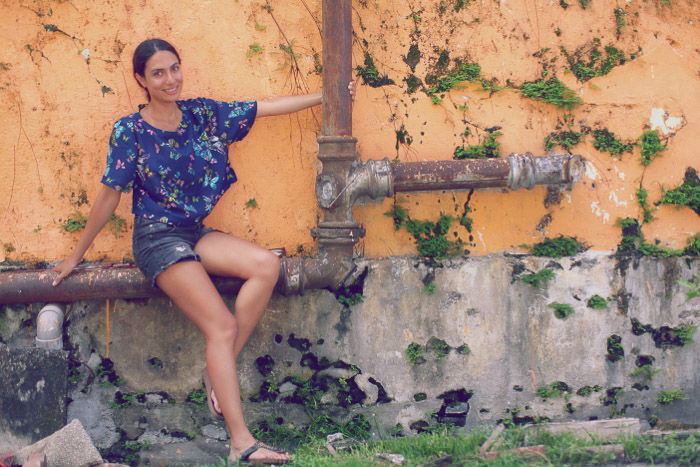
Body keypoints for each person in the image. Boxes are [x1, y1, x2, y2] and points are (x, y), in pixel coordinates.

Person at [52, 38, 354, 464]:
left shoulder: (201, 114)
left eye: (174, 68)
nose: (170, 79)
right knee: (221, 326)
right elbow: (108, 196)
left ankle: (219, 370)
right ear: (141, 79)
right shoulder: (130, 130)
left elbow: (264, 107)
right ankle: (241, 443)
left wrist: (329, 96)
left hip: (193, 231)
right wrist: (76, 255)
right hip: (157, 239)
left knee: (266, 265)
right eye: (158, 73)